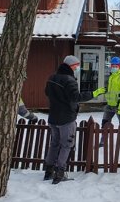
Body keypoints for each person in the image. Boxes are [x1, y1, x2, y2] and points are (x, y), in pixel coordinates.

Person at [44, 55, 103, 184]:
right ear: (71, 66)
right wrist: (94, 93)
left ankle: (48, 171)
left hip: (53, 117)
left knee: (54, 144)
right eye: (76, 65)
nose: (77, 67)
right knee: (67, 145)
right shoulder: (69, 80)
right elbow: (76, 97)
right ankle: (59, 173)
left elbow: (47, 93)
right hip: (66, 118)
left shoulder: (52, 78)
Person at [97, 56, 120, 147]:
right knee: (105, 122)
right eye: (113, 66)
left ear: (119, 66)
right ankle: (103, 141)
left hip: (119, 105)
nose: (114, 67)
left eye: (116, 66)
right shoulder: (112, 76)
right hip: (110, 104)